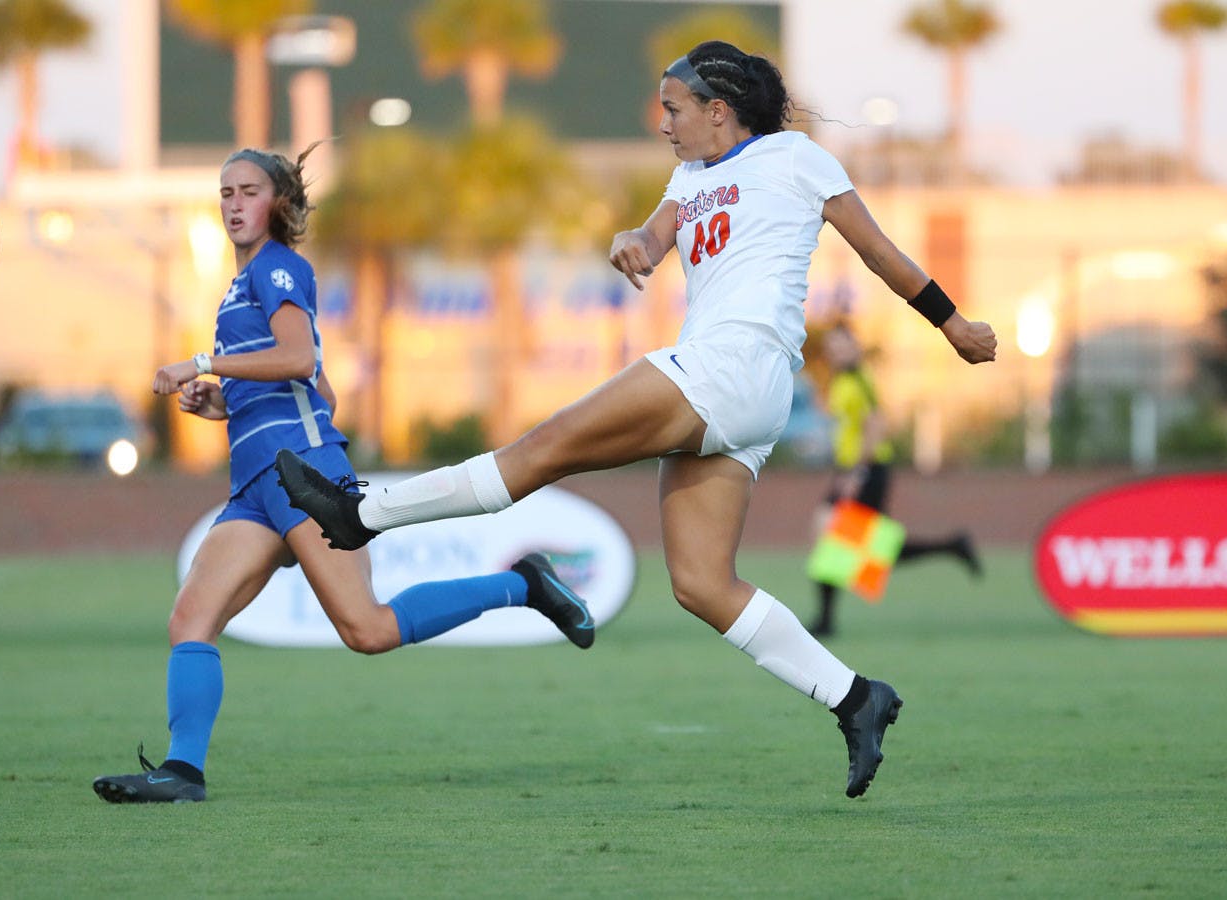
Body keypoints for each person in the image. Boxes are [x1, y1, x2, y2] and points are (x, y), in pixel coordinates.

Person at [277, 41, 997, 799]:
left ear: (719, 112)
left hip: (733, 366)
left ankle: (362, 513)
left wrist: (953, 326)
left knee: (542, 449)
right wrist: (633, 245)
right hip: (738, 391)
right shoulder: (689, 176)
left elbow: (882, 254)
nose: (664, 124)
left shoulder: (796, 158)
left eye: (674, 110)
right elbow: (653, 239)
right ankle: (856, 699)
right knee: (700, 584)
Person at [92, 145, 593, 805]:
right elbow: (321, 391)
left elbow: (299, 359)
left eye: (248, 191)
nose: (234, 204)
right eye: (225, 193)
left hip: (306, 478)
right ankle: (182, 773)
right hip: (255, 487)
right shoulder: (241, 286)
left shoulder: (278, 270)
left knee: (369, 631)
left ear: (278, 204)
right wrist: (225, 406)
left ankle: (521, 583)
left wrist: (201, 363)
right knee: (190, 620)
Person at [808, 323, 981, 637]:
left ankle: (825, 621)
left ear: (854, 347)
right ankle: (953, 546)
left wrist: (855, 473)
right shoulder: (843, 379)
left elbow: (875, 425)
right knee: (860, 545)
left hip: (866, 471)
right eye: (832, 348)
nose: (836, 353)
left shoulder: (859, 378)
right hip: (855, 470)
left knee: (836, 538)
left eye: (842, 346)